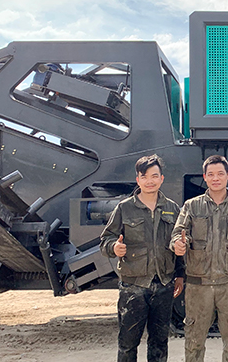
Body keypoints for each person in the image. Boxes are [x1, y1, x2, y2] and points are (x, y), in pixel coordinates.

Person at [171, 155, 228, 362]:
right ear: (204, 177)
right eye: (210, 174)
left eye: (220, 174)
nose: (215, 178)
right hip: (198, 287)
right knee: (194, 343)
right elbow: (178, 233)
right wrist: (178, 244)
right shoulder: (192, 206)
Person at [100, 154, 184, 362]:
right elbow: (106, 240)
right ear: (138, 180)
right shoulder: (124, 208)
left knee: (159, 343)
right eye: (144, 176)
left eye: (154, 176)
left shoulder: (172, 209)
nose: (149, 181)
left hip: (163, 285)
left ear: (161, 178)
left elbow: (179, 244)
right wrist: (114, 247)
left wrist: (181, 275)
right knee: (127, 344)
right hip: (133, 286)